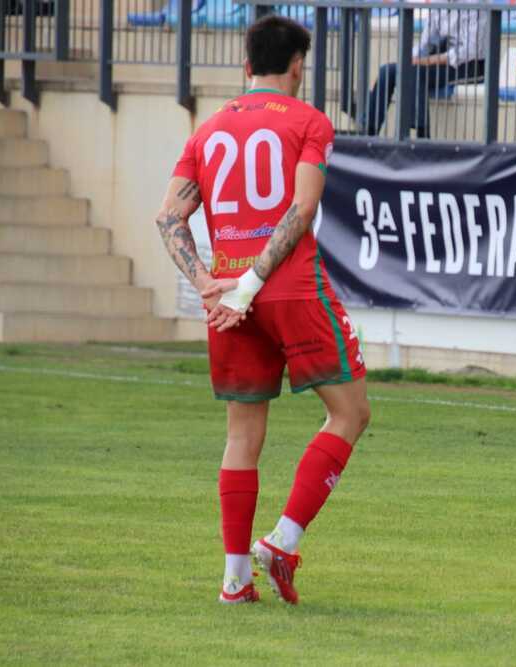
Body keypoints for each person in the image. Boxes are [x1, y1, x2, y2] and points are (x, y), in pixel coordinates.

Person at [154, 15, 369, 605]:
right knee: (349, 412)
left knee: (242, 433)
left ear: (246, 65)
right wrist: (252, 282)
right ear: (298, 64)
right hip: (288, 288)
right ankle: (282, 540)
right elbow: (301, 209)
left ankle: (234, 580)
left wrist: (208, 283)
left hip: (226, 296)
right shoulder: (308, 121)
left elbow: (168, 217)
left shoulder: (208, 130)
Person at [355, 0, 487, 138]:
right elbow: (426, 43)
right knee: (387, 71)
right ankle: (368, 132)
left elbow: (471, 51)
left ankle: (422, 138)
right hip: (440, 61)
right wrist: (409, 59)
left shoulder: (477, 3)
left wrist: (429, 60)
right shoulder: (439, 4)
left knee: (416, 73)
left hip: (471, 65)